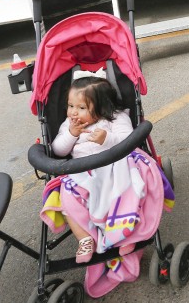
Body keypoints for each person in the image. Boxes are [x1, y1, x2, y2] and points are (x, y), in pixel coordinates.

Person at [50, 76, 133, 263]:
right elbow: (58, 150)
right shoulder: (69, 125)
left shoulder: (115, 118)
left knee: (125, 190)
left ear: (103, 107)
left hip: (112, 168)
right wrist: (71, 134)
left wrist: (107, 139)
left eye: (81, 108)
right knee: (65, 197)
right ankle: (84, 238)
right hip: (81, 172)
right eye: (70, 106)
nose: (73, 112)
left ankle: (123, 234)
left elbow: (129, 140)